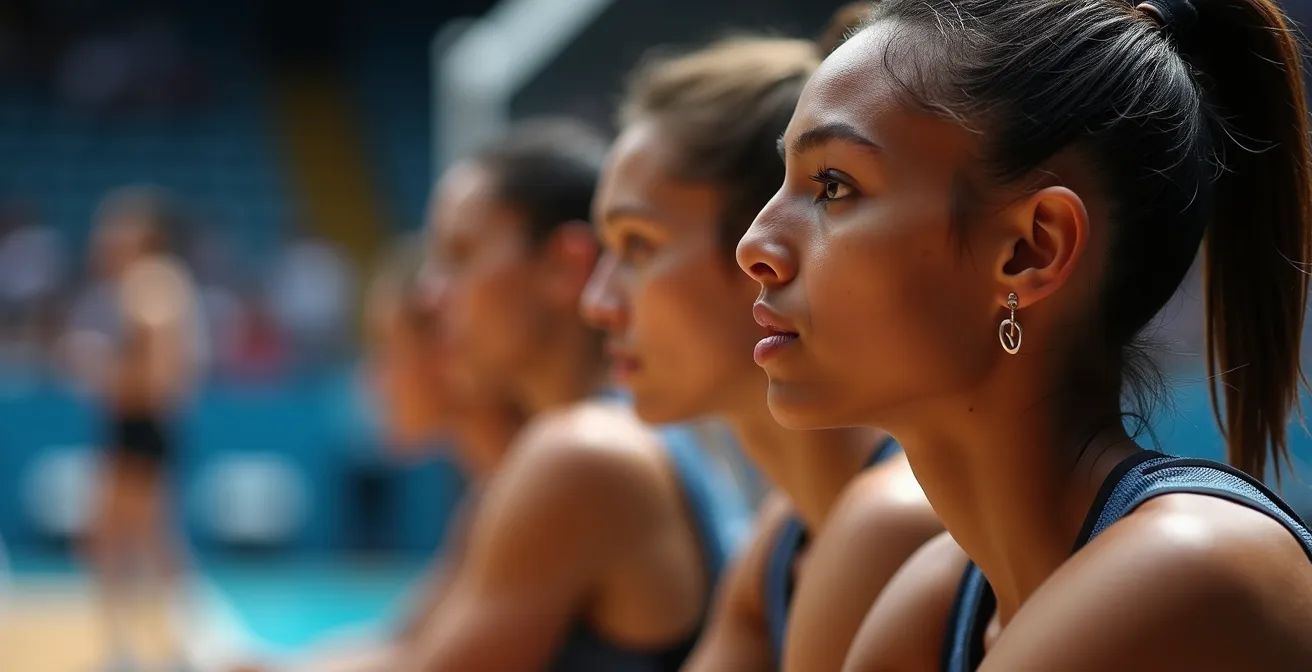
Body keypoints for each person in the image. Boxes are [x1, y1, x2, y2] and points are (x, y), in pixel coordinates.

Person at [735, 1, 1312, 669]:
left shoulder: (1190, 569)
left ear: (1032, 250)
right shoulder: (938, 599)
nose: (754, 246)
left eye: (833, 186)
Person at [580, 34, 939, 672]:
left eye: (637, 245)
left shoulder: (896, 518)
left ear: (768, 253)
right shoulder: (781, 537)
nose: (597, 303)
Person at [404, 118, 747, 671]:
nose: (429, 295)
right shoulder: (602, 438)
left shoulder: (582, 454)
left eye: (461, 255)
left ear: (564, 265)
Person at [72, 185, 206, 670]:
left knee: (127, 540)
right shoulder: (161, 282)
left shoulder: (149, 284)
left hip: (141, 425)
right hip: (142, 426)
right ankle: (161, 645)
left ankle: (151, 647)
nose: (104, 237)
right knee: (139, 540)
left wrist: (103, 370)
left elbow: (160, 377)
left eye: (116, 228)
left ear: (144, 234)